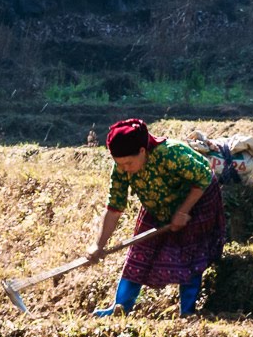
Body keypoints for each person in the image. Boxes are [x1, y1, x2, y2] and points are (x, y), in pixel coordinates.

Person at [86, 118, 225, 318]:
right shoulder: (121, 169)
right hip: (158, 203)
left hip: (197, 198)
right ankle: (120, 308)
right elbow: (114, 207)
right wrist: (98, 245)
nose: (125, 168)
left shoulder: (169, 153)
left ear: (142, 151)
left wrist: (183, 211)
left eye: (129, 163)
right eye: (120, 164)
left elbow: (203, 177)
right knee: (139, 254)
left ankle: (187, 312)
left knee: (190, 252)